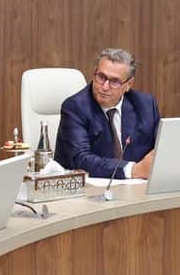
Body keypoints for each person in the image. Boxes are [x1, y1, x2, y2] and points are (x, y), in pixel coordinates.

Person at [54, 48, 160, 180]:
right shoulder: (75, 107)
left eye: (114, 81)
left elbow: (162, 148)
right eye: (101, 77)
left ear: (128, 84)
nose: (104, 86)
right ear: (94, 73)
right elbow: (81, 159)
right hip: (87, 188)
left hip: (137, 188)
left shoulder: (145, 105)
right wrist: (132, 170)